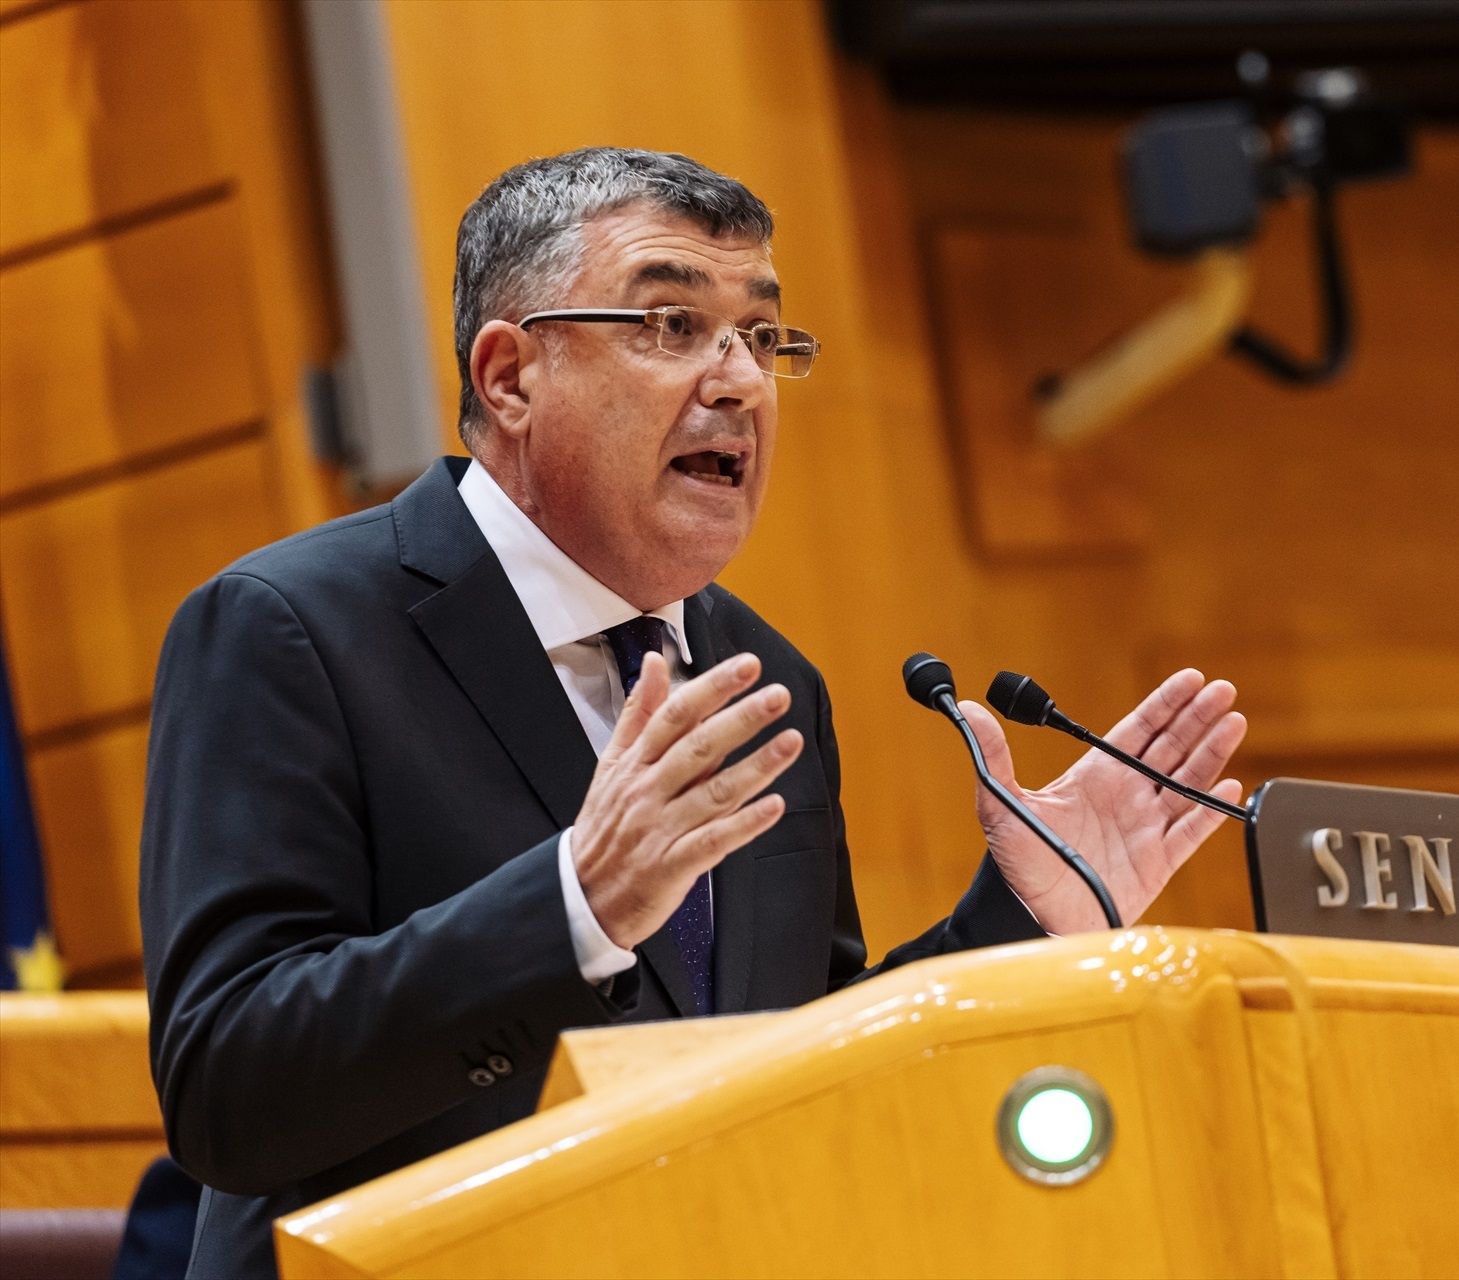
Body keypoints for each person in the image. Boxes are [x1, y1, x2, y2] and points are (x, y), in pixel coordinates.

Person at [140, 148, 1247, 1278]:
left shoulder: (769, 677)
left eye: (762, 337)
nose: (742, 383)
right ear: (510, 376)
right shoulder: (294, 628)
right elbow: (229, 1087)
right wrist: (573, 906)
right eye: (672, 325)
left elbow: (805, 1065)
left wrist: (1023, 921)